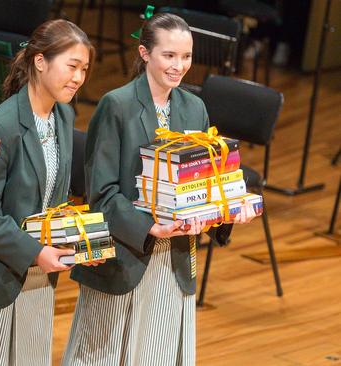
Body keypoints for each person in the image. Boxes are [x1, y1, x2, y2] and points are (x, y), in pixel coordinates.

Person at [62, 13, 258, 365]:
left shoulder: (194, 107)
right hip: (126, 254)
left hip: (175, 258)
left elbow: (202, 182)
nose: (179, 66)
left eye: (186, 56)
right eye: (169, 55)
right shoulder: (116, 105)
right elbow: (101, 194)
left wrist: (222, 212)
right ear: (144, 53)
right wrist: (150, 226)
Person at [0, 19, 94, 365]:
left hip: (36, 277)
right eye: (72, 66)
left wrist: (81, 241)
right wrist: (35, 251)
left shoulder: (64, 116)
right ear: (40, 61)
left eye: (84, 69)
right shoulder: (1, 125)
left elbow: (53, 198)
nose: (78, 78)